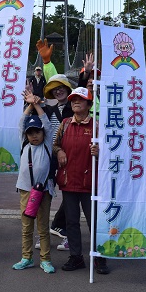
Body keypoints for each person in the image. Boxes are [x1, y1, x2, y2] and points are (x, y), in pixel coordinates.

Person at [53, 86, 109, 274]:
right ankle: (76, 257)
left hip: (90, 182)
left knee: (94, 221)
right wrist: (60, 151)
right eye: (73, 99)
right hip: (69, 181)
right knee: (71, 222)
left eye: (80, 99)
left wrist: (100, 152)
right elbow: (55, 144)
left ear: (89, 104)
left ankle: (100, 257)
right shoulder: (65, 123)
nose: (76, 102)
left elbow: (111, 153)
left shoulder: (97, 126)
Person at [12, 91, 55, 274]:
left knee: (43, 227)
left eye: (37, 132)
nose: (34, 136)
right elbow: (22, 123)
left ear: (43, 133)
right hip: (25, 190)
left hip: (44, 190)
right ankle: (26, 257)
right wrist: (29, 104)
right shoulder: (24, 144)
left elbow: (46, 122)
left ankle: (45, 259)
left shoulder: (47, 144)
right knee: (26, 227)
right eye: (30, 133)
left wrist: (37, 105)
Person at [34, 74, 73, 252]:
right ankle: (44, 234)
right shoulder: (49, 111)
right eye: (55, 88)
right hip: (51, 157)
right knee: (44, 192)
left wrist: (86, 74)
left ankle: (63, 230)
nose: (58, 90)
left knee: (71, 194)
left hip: (71, 156)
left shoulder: (75, 108)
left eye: (61, 87)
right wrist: (33, 102)